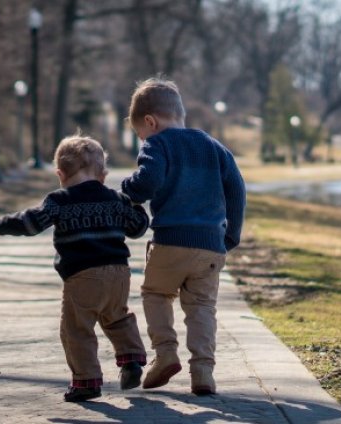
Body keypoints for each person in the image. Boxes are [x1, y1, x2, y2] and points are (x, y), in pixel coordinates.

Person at [0, 134, 149, 402]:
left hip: (83, 276)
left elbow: (31, 222)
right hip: (119, 273)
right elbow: (137, 228)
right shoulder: (115, 198)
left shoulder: (59, 201)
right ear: (103, 174)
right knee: (117, 317)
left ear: (60, 174)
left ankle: (86, 381)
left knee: (76, 329)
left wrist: (3, 224)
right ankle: (131, 360)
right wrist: (138, 207)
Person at [121, 77, 246, 395]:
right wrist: (230, 235)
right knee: (203, 306)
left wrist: (128, 189)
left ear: (150, 122)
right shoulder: (213, 146)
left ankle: (165, 354)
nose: (142, 139)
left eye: (140, 134)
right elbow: (237, 189)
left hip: (170, 241)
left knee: (156, 294)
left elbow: (147, 182)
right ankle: (203, 371)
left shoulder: (157, 144)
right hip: (210, 246)